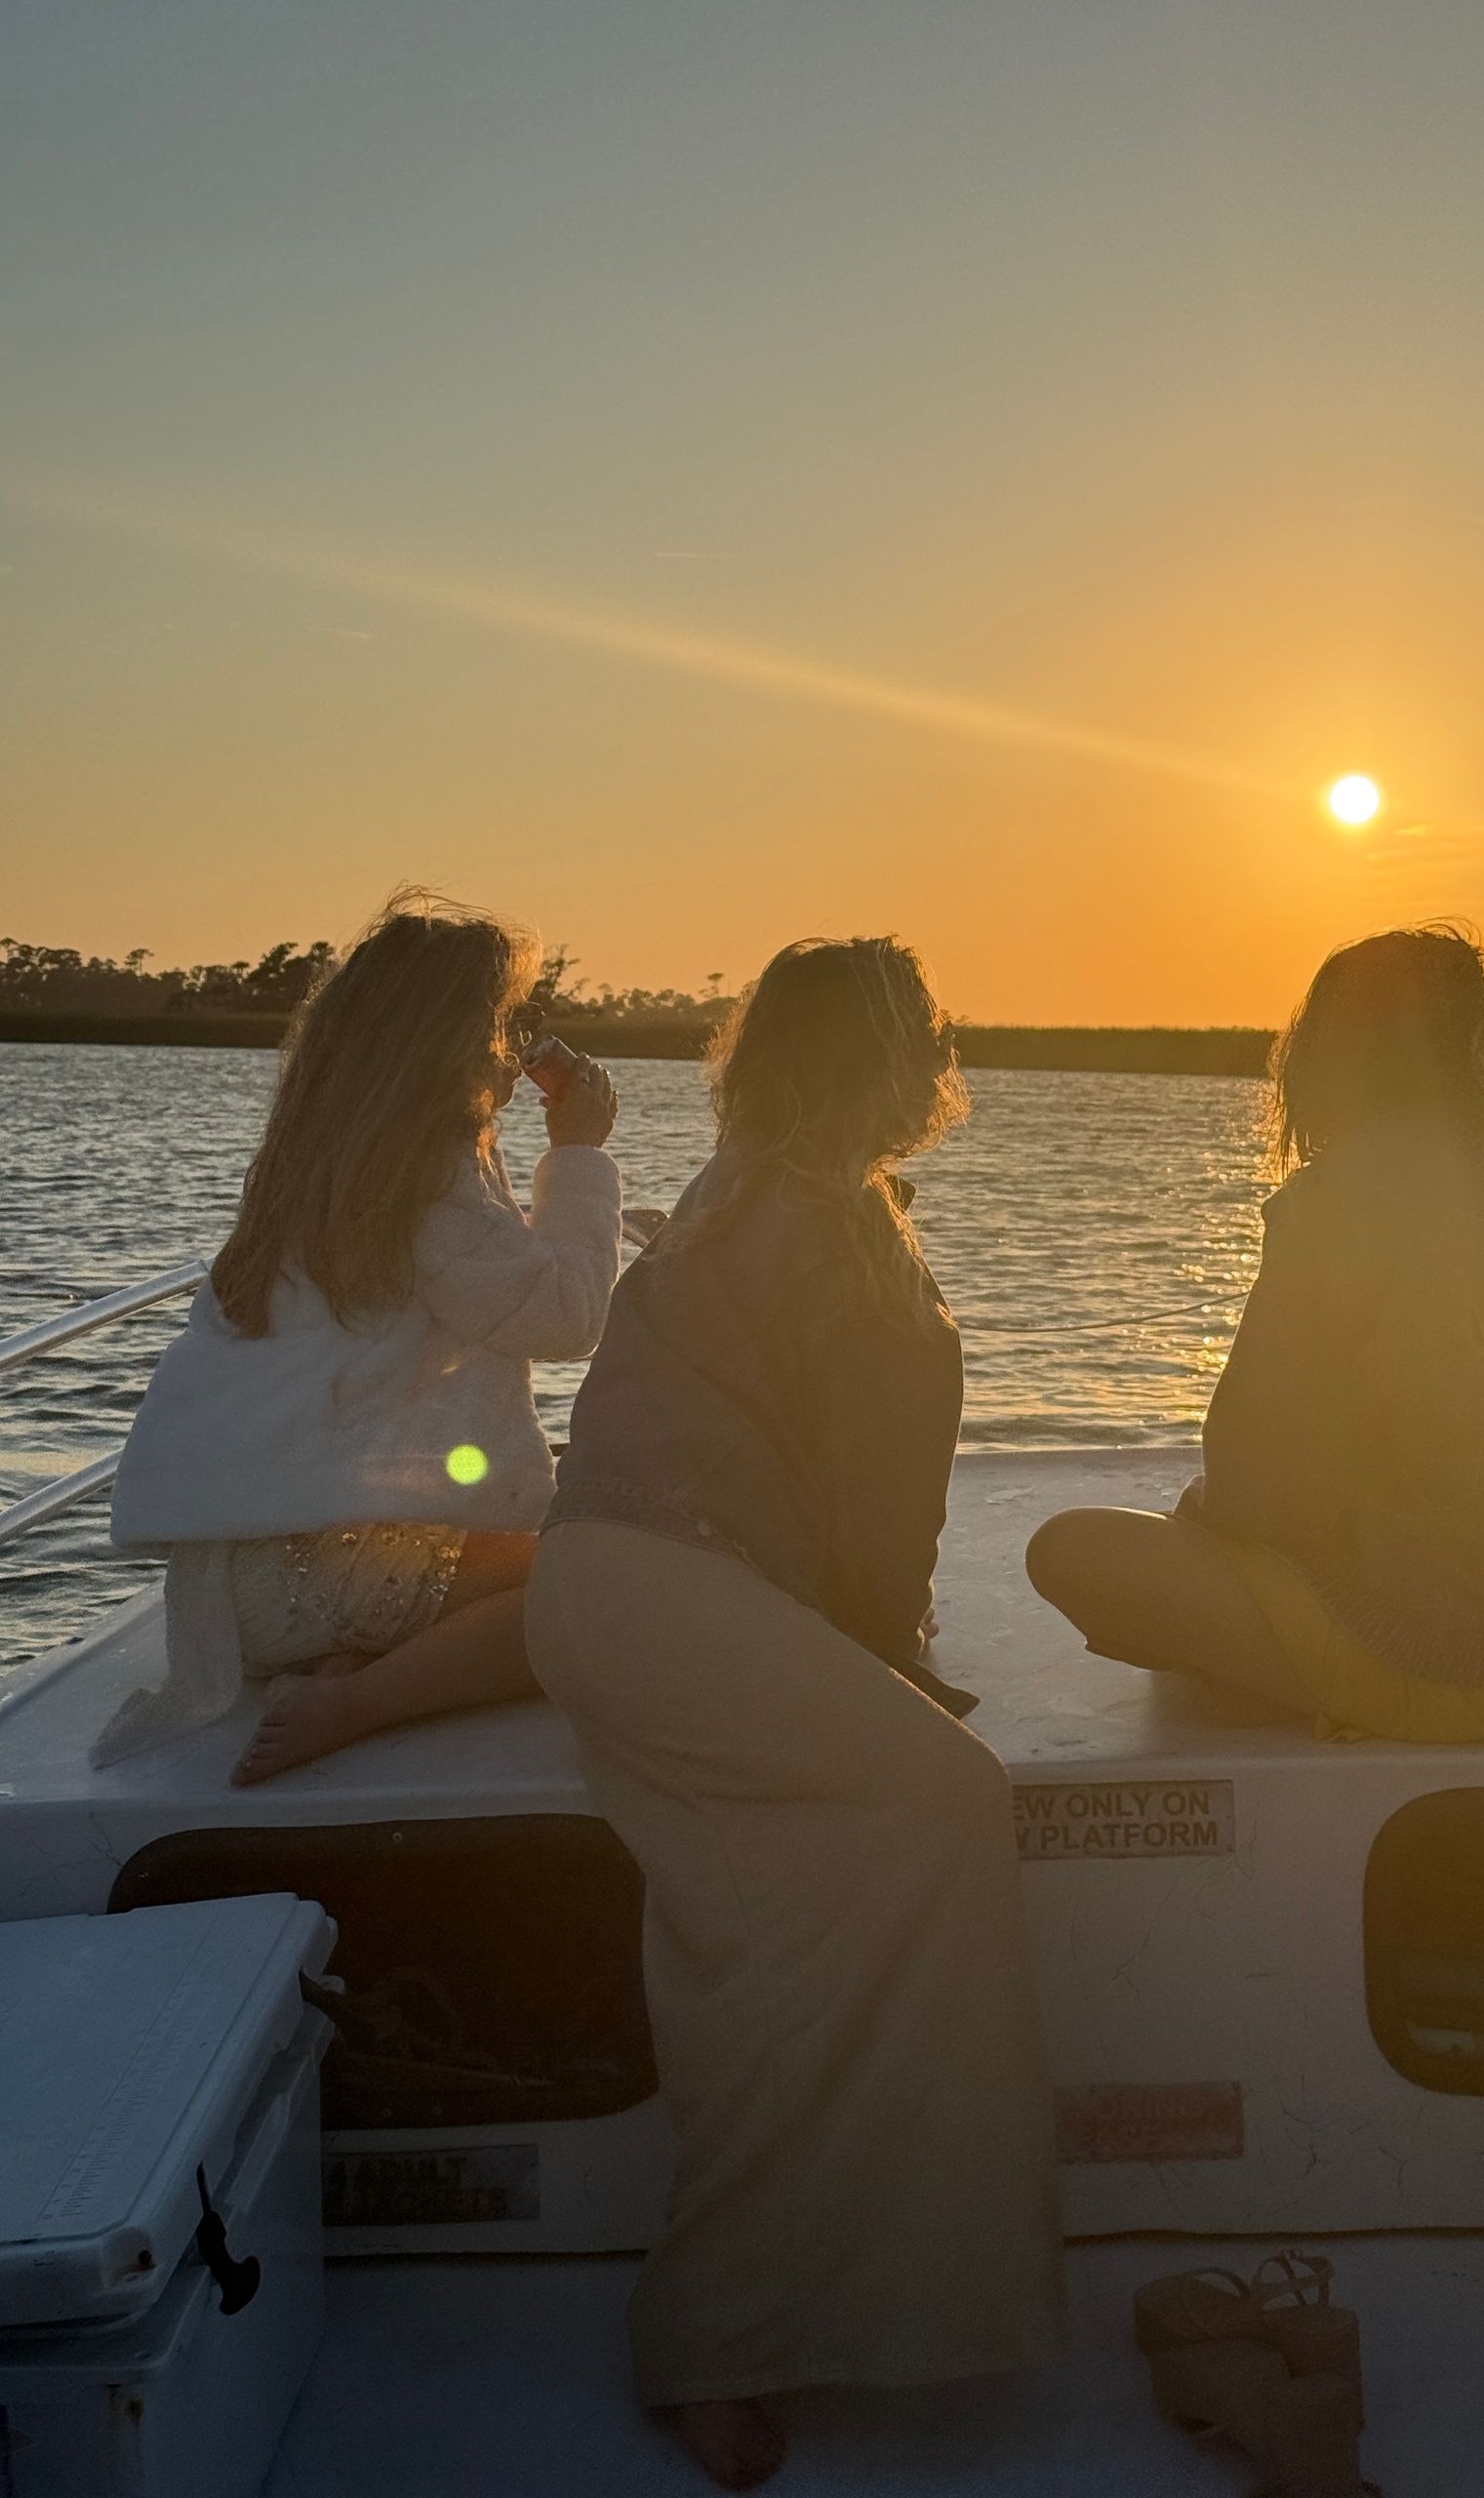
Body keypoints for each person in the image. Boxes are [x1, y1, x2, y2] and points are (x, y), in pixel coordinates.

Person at [527, 937, 1064, 2492]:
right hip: (682, 1606)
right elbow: (875, 1537)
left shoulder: (732, 1191)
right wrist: (889, 1667)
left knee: (780, 1920)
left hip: (609, 1596)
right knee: (946, 1806)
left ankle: (812, 2309)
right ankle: (730, 2332)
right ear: (907, 1067)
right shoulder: (840, 1231)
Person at [1027, 924, 1484, 1751]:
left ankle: (1295, 1682)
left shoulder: (1341, 1201)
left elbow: (1255, 1488)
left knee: (1071, 1552)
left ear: (1328, 1056)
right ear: (1480, 1050)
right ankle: (1285, 1674)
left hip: (1461, 1662)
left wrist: (1209, 1527)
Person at [101, 892, 623, 1781]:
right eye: (502, 1026)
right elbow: (565, 1316)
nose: (514, 1048)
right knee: (611, 1591)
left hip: (248, 1575)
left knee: (598, 1508)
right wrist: (577, 1152)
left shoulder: (323, 1166)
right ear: (450, 1043)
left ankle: (369, 1661)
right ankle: (354, 1703)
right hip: (317, 1574)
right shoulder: (428, 1179)